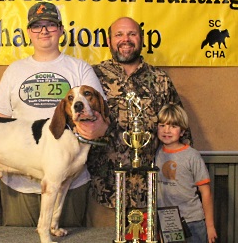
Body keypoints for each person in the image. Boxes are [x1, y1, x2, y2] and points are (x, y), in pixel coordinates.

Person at [0, 2, 108, 227]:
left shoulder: (80, 68)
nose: (44, 31)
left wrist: (91, 129)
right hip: (20, 185)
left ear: (61, 30)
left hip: (70, 182)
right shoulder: (15, 70)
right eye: (37, 26)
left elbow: (101, 118)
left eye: (50, 25)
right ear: (28, 33)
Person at [84, 17, 193, 227]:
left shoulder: (160, 79)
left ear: (141, 39)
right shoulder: (92, 77)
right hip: (104, 193)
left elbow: (181, 131)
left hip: (151, 193)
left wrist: (182, 181)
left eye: (132, 34)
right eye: (119, 34)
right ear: (109, 41)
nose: (126, 40)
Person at [156, 104, 217, 243]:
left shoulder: (192, 156)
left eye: (173, 126)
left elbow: (206, 192)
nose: (167, 130)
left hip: (193, 222)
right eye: (162, 125)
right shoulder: (156, 153)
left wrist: (210, 226)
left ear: (182, 131)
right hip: (167, 222)